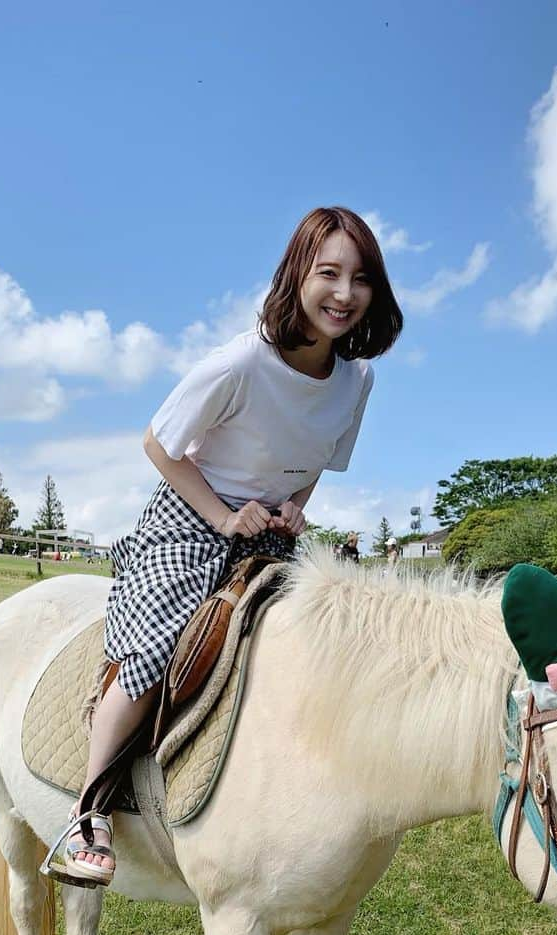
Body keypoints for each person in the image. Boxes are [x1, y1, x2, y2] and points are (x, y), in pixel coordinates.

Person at [44, 206, 403, 884]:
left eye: (361, 279)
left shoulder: (358, 381)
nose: (344, 294)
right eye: (328, 273)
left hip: (268, 532)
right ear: (297, 275)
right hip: (189, 517)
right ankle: (88, 811)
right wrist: (220, 516)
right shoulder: (242, 362)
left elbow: (316, 460)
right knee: (152, 651)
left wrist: (295, 511)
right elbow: (159, 443)